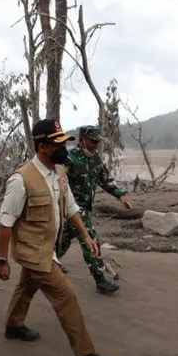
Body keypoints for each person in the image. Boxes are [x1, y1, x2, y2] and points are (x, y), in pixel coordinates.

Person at [0, 119, 112, 356]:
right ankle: (85, 355)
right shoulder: (21, 179)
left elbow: (70, 207)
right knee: (66, 296)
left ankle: (13, 326)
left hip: (48, 249)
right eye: (58, 143)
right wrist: (2, 260)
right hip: (34, 251)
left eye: (64, 142)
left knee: (27, 286)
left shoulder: (59, 173)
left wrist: (87, 237)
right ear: (43, 147)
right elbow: (5, 222)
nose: (64, 148)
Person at [57, 125, 129, 295]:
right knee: (91, 241)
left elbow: (105, 179)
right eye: (93, 141)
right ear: (82, 140)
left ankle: (49, 262)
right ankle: (100, 280)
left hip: (86, 209)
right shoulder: (70, 159)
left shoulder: (95, 159)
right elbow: (57, 182)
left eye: (98, 141)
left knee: (65, 239)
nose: (96, 144)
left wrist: (119, 195)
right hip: (73, 209)